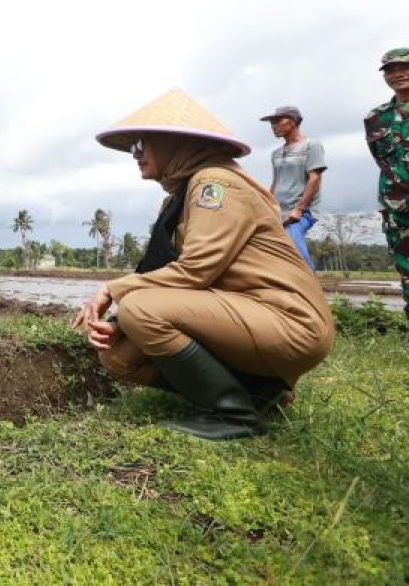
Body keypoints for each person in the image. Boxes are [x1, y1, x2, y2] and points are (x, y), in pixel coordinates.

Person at [74, 89, 333, 440]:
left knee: (140, 309)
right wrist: (120, 319)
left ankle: (237, 416)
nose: (135, 155)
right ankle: (259, 393)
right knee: (119, 354)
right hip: (244, 314)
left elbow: (196, 270)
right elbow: (163, 271)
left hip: (288, 322)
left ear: (174, 143)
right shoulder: (181, 196)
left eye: (141, 145)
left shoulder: (215, 183)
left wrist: (112, 290)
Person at [365, 47, 409, 319]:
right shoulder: (375, 118)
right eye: (390, 70)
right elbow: (381, 160)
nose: (397, 74)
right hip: (397, 207)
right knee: (406, 269)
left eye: (404, 67)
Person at [260, 105, 326, 269]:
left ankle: (310, 289)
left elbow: (314, 178)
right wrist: (266, 204)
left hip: (301, 212)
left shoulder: (311, 146)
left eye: (277, 121)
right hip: (278, 212)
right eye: (271, 123)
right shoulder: (275, 153)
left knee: (295, 249)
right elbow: (276, 182)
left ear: (292, 121)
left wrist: (299, 209)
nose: (273, 126)